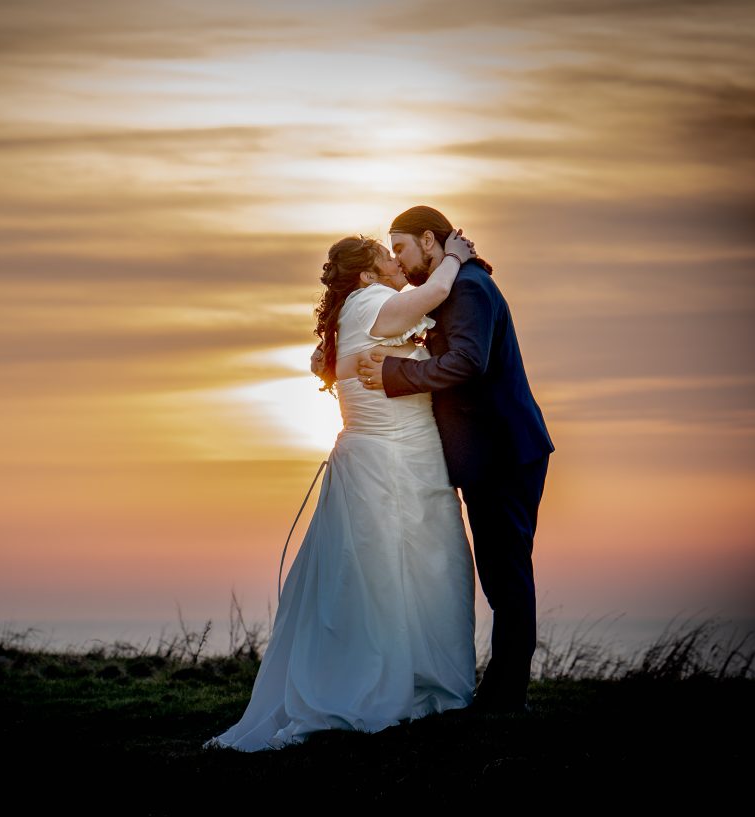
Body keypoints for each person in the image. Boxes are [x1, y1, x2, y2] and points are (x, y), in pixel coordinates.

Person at [203, 231, 479, 752]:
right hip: (396, 459)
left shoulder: (349, 313)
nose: (398, 264)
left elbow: (339, 366)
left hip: (370, 456)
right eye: (386, 257)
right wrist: (456, 259)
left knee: (377, 575)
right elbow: (436, 294)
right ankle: (398, 687)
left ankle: (396, 677)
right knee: (417, 568)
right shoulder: (377, 302)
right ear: (368, 276)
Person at [357, 205, 554, 713]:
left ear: (428, 240)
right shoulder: (457, 285)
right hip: (494, 454)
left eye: (400, 247)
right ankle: (503, 694)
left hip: (503, 455)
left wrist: (394, 375)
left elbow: (467, 362)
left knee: (506, 577)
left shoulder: (467, 288)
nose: (397, 260)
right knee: (502, 573)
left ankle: (505, 699)